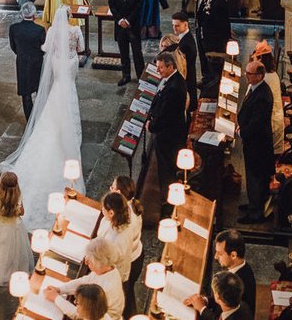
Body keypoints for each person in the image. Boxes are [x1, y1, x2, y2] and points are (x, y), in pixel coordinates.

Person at [2, 5, 84, 229]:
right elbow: (81, 49)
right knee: (69, 94)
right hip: (68, 63)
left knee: (47, 93)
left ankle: (39, 121)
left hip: (53, 65)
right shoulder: (74, 31)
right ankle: (70, 129)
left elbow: (44, 48)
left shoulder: (43, 32)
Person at [144, 50, 190, 215]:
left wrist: (151, 126)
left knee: (166, 170)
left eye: (161, 68)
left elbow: (165, 115)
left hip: (169, 137)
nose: (158, 71)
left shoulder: (174, 87)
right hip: (171, 133)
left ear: (170, 66)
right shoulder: (173, 80)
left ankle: (168, 204)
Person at [45, 236, 125, 320]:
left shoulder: (104, 290)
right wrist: (59, 289)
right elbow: (84, 281)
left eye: (89, 261)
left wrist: (56, 298)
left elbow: (80, 314)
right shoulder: (107, 269)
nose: (86, 263)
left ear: (98, 263)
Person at [185, 231, 256, 319]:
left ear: (233, 255)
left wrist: (202, 309)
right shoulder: (243, 269)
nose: (215, 257)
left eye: (220, 253)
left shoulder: (240, 284)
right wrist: (204, 300)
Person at [236, 60, 274, 222]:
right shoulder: (255, 88)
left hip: (258, 144)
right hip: (254, 142)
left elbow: (257, 123)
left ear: (259, 76)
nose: (246, 76)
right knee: (253, 175)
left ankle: (256, 213)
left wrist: (242, 132)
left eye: (249, 74)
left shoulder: (263, 96)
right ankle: (253, 203)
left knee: (256, 177)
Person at [105, 181, 145, 315]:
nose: (110, 189)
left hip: (130, 262)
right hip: (135, 256)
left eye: (112, 187)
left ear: (119, 193)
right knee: (128, 296)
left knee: (124, 297)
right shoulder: (125, 209)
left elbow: (121, 254)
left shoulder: (128, 220)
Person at [108, 0, 146, 86]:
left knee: (137, 53)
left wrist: (128, 20)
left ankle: (141, 76)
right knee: (123, 53)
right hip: (120, 26)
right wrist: (120, 20)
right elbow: (112, 5)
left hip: (133, 25)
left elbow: (138, 6)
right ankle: (126, 75)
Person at [9, 2, 47, 118]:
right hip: (37, 63)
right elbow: (43, 47)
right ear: (34, 15)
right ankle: (40, 117)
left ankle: (29, 120)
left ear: (22, 14)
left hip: (22, 63)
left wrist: (22, 54)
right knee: (39, 89)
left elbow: (13, 46)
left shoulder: (14, 28)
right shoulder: (39, 30)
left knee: (26, 93)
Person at [194, 0, 231, 83]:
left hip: (215, 43)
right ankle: (207, 79)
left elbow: (221, 26)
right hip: (205, 37)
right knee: (205, 62)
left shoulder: (219, 3)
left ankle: (212, 84)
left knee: (214, 68)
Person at [169, 11, 201, 96]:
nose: (174, 28)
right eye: (173, 25)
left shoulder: (186, 43)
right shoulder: (185, 37)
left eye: (177, 26)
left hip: (186, 81)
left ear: (186, 25)